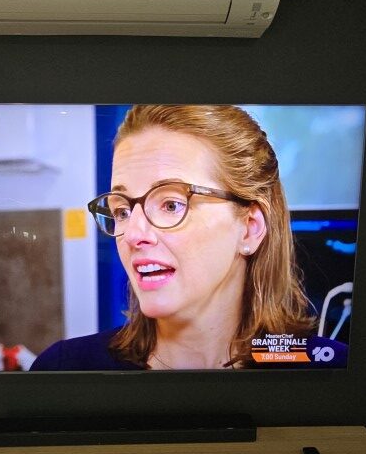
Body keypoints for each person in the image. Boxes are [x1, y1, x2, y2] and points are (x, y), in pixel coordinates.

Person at [31, 104, 314, 370]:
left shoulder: (323, 371)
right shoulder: (64, 368)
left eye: (171, 205)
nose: (133, 235)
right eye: (122, 211)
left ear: (250, 228)